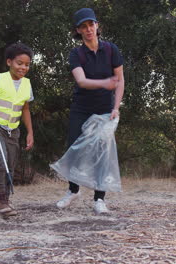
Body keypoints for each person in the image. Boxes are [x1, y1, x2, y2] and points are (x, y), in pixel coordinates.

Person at [55, 7, 125, 214]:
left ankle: (99, 200)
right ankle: (73, 190)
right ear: (78, 31)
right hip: (81, 107)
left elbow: (120, 81)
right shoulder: (76, 54)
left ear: (97, 25)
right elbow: (82, 81)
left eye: (91, 24)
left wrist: (115, 108)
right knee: (74, 148)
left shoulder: (111, 49)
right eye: (83, 27)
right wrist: (105, 83)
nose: (88, 29)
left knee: (102, 153)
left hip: (105, 109)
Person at [0, 43, 35, 216]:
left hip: (14, 131)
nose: (23, 67)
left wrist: (30, 132)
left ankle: (6, 200)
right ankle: (0, 201)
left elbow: (25, 109)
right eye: (20, 63)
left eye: (27, 64)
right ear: (9, 62)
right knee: (1, 161)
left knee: (10, 164)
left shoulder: (27, 84)